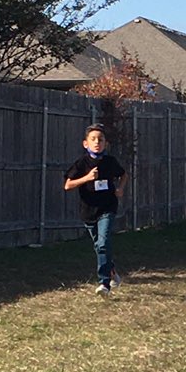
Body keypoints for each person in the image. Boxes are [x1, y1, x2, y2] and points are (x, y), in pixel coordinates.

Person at [64, 123, 128, 295]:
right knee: (100, 246)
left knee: (103, 243)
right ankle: (112, 270)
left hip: (107, 207)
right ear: (86, 143)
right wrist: (86, 178)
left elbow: (123, 174)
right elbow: (68, 185)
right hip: (88, 210)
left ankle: (104, 284)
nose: (97, 142)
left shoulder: (110, 162)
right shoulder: (81, 163)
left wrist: (120, 188)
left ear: (105, 143)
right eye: (93, 139)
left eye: (100, 139)